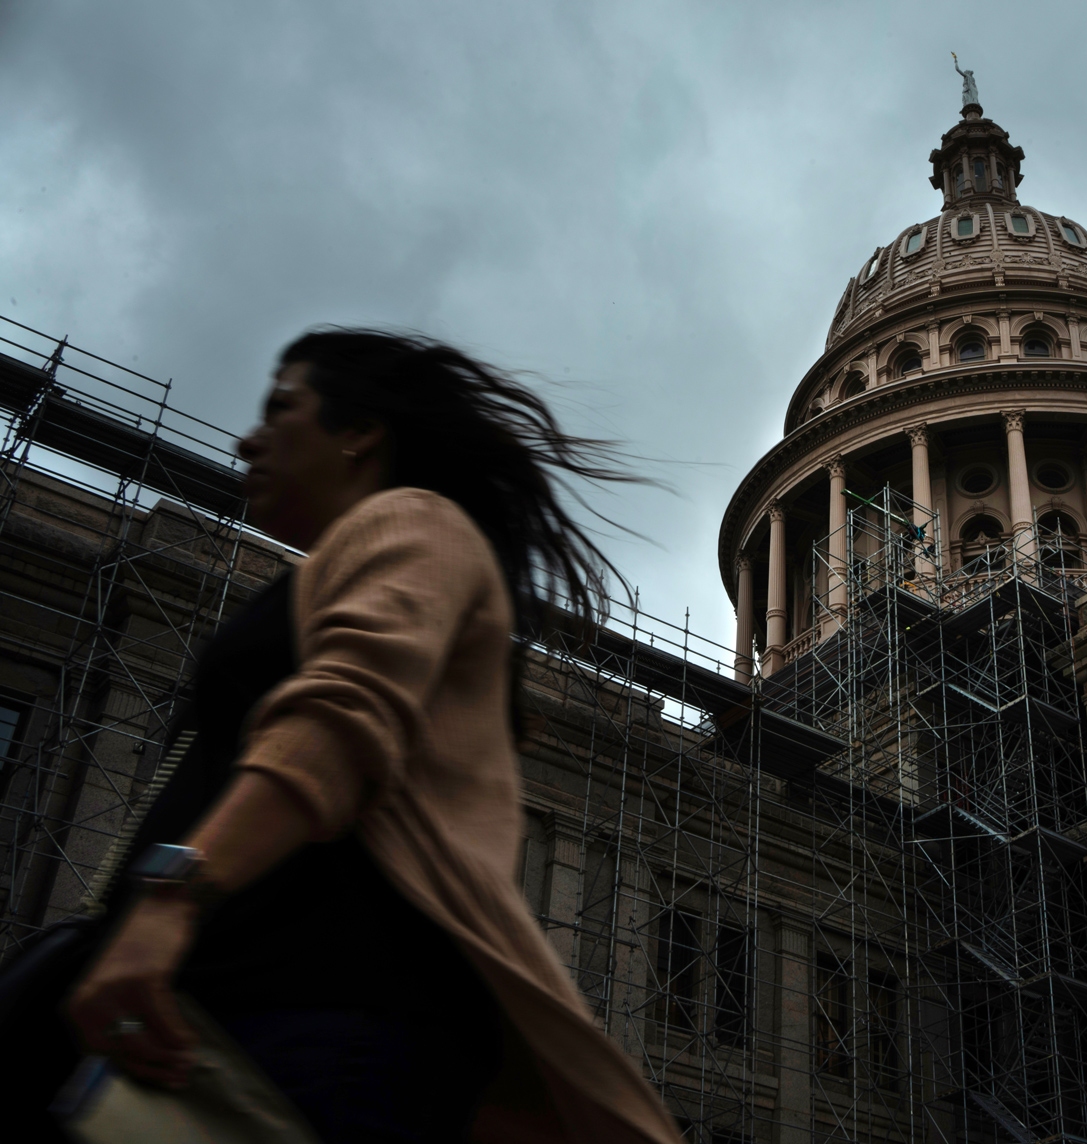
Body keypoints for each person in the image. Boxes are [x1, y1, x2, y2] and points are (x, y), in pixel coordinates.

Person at [62, 330, 684, 1144]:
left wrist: (170, 901)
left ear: (360, 431)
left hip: (312, 1023)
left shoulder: (419, 522)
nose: (247, 437)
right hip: (243, 1018)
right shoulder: (357, 562)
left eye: (281, 407)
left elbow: (339, 720)